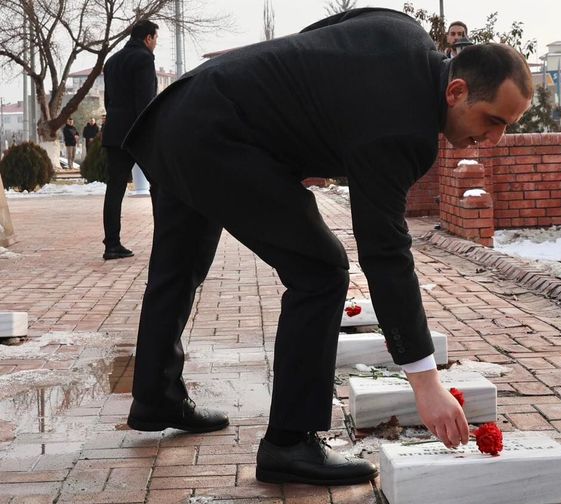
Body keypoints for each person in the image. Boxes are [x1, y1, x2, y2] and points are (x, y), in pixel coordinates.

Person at [122, 8, 532, 487]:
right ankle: (289, 443)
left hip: (182, 111)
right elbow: (385, 251)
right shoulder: (403, 128)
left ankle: (156, 395)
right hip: (221, 135)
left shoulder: (402, 29)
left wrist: (302, 117)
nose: (493, 138)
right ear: (456, 91)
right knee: (321, 270)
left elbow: (316, 40)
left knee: (178, 268)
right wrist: (425, 381)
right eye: (493, 120)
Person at [101, 19, 159, 261]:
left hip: (114, 132)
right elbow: (146, 101)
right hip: (138, 133)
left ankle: (111, 245)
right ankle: (166, 242)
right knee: (161, 185)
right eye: (155, 38)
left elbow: (108, 100)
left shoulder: (111, 62)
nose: (155, 43)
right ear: (147, 38)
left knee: (114, 190)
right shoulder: (144, 59)